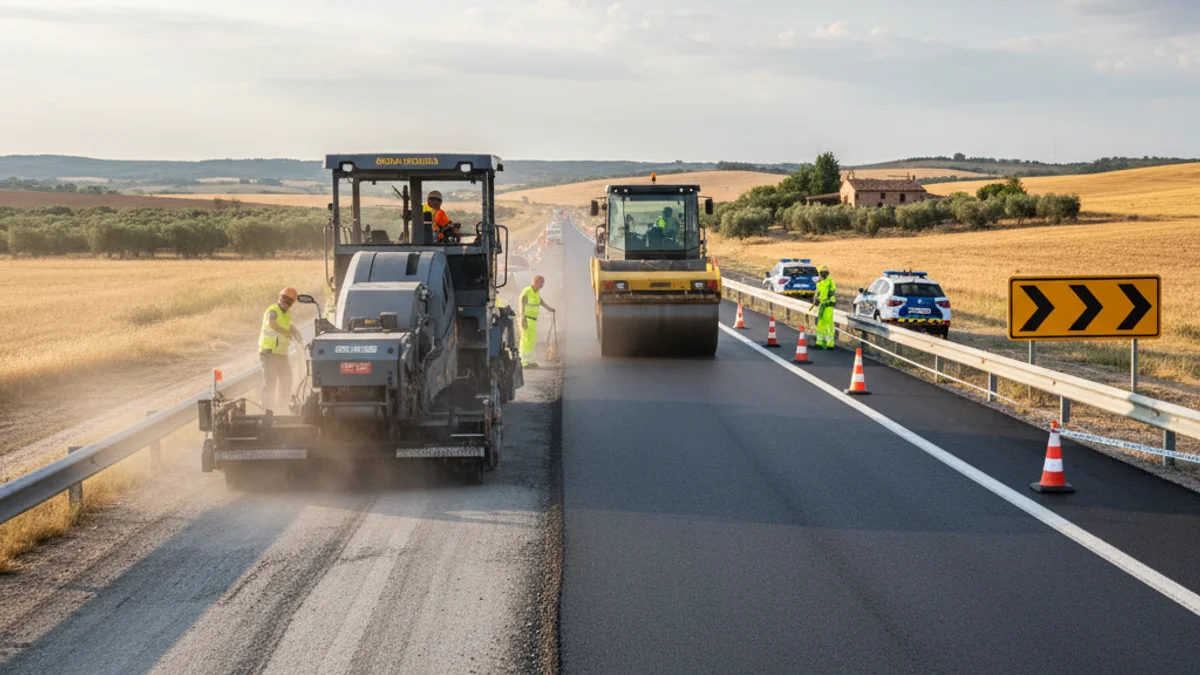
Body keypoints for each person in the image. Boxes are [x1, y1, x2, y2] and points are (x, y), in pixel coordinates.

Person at [259, 287, 304, 413]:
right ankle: (266, 408)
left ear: (292, 303)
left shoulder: (285, 314)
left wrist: (295, 333)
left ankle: (282, 407)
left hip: (281, 354)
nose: (286, 301)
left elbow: (287, 326)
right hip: (269, 353)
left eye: (289, 300)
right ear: (280, 297)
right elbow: (272, 323)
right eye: (284, 298)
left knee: (287, 380)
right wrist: (286, 332)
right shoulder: (273, 310)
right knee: (271, 382)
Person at [519, 275, 556, 368]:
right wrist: (523, 318)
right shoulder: (527, 291)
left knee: (532, 341)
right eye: (540, 284)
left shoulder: (536, 292)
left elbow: (540, 301)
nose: (542, 286)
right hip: (527, 319)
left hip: (533, 320)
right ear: (535, 282)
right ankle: (523, 362)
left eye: (542, 284)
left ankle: (531, 361)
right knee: (526, 340)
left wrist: (549, 309)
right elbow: (523, 304)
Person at [814, 266, 837, 349]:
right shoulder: (819, 284)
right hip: (822, 306)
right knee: (820, 325)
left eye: (825, 273)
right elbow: (818, 294)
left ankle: (829, 344)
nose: (823, 274)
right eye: (821, 273)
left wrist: (825, 299)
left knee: (828, 325)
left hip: (828, 306)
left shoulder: (830, 282)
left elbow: (832, 293)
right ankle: (820, 342)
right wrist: (816, 300)